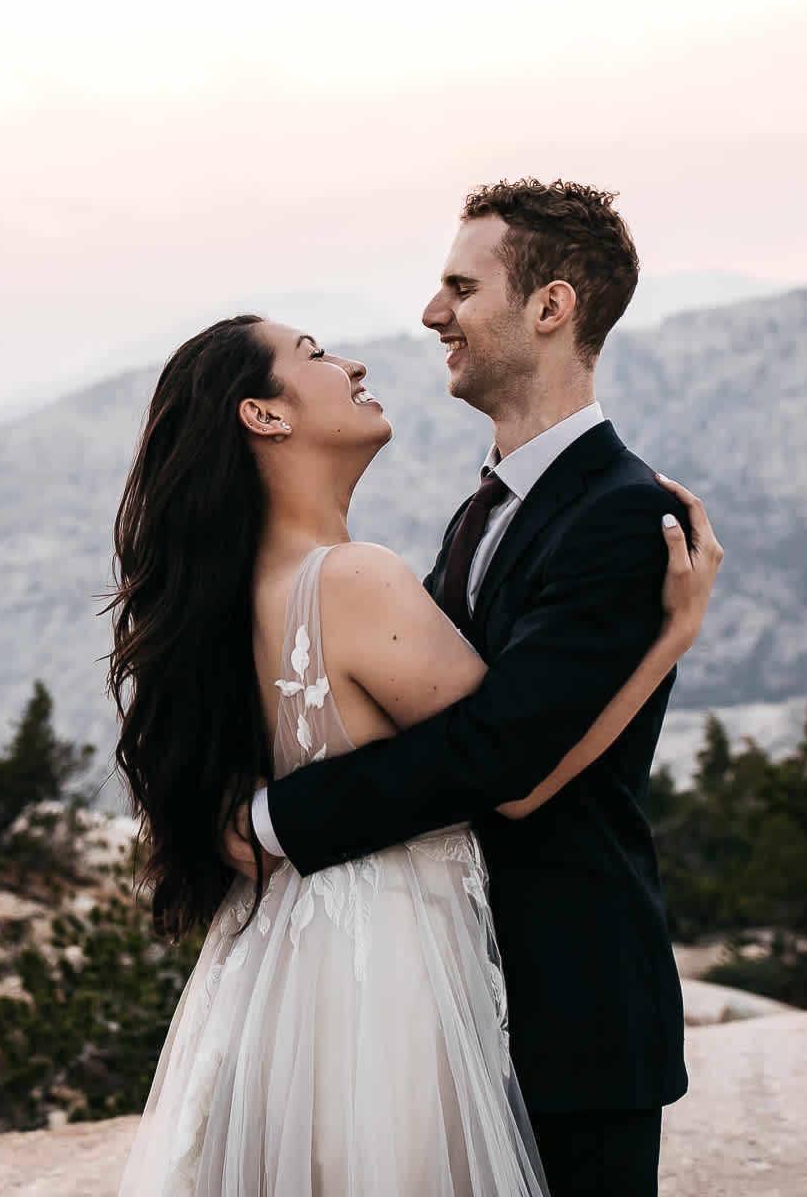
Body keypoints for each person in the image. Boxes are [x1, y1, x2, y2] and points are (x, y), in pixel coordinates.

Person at [110, 309, 719, 1189]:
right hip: (394, 984)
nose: (352, 363)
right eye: (315, 355)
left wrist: (270, 820)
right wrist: (672, 635)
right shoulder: (354, 580)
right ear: (265, 415)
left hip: (296, 980)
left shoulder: (236, 596)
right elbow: (508, 764)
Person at [227, 179, 705, 1196]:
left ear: (550, 307)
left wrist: (275, 819)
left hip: (572, 1004)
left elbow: (505, 758)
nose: (432, 313)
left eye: (459, 287)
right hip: (448, 998)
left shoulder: (622, 515)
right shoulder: (477, 513)